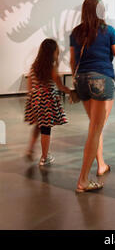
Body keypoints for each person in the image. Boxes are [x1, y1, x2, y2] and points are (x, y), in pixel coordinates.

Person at [70, 0, 115, 193]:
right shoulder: (108, 31)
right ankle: (83, 180)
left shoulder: (76, 32)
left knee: (96, 127)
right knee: (95, 129)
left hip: (82, 82)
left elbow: (72, 62)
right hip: (102, 80)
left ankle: (101, 164)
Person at [24, 38, 69, 166]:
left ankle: (31, 149)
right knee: (45, 129)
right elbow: (60, 86)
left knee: (38, 126)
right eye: (56, 51)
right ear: (52, 53)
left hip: (35, 99)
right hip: (47, 101)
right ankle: (44, 157)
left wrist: (32, 96)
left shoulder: (35, 66)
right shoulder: (51, 67)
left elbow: (29, 83)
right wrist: (71, 92)